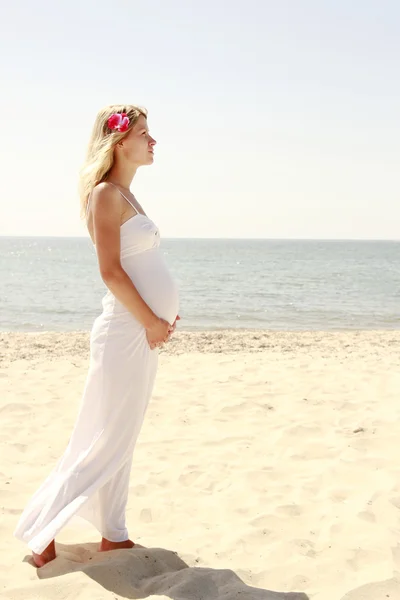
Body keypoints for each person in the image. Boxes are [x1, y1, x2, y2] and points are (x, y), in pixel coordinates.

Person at [13, 104, 180, 567]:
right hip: (126, 332)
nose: (153, 141)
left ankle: (113, 533)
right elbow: (110, 272)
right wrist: (150, 318)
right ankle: (42, 532)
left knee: (121, 436)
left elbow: (138, 266)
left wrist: (161, 313)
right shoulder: (106, 194)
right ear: (119, 141)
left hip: (140, 330)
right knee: (103, 437)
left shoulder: (127, 196)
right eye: (144, 133)